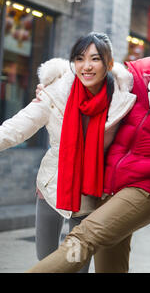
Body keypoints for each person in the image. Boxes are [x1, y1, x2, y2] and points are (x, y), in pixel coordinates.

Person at [27, 22, 150, 273]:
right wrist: (52, 91)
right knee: (110, 266)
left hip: (149, 189)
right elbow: (94, 83)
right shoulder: (139, 74)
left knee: (83, 238)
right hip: (108, 182)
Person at [0, 32, 136, 273]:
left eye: (95, 59)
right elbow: (17, 128)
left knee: (76, 265)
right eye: (80, 58)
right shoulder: (55, 94)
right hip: (53, 186)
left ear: (109, 63)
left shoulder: (122, 101)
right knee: (46, 261)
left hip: (92, 193)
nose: (86, 66)